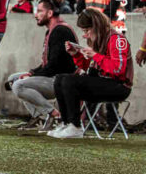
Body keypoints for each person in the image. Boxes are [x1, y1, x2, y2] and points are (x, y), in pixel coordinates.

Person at [50, 8, 134, 139]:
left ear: (97, 26)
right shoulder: (98, 40)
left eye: (87, 30)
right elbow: (90, 68)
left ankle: (75, 126)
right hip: (103, 82)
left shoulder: (117, 39)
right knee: (60, 79)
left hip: (119, 86)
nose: (85, 35)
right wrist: (76, 54)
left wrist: (96, 56)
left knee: (69, 81)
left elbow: (118, 69)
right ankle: (66, 123)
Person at [6, 0, 77, 131]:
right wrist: (32, 73)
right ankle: (38, 117)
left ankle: (53, 113)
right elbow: (48, 64)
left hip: (62, 80)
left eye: (39, 11)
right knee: (13, 79)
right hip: (54, 76)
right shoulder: (52, 30)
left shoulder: (60, 31)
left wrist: (31, 75)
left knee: (18, 85)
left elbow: (55, 65)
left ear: (50, 13)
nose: (35, 15)